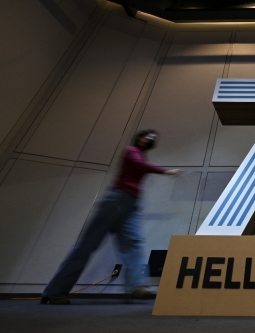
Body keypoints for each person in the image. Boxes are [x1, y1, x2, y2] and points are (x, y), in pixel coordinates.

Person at [40, 129, 180, 304]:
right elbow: (139, 165)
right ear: (140, 138)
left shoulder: (142, 156)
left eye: (155, 138)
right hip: (116, 200)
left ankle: (136, 286)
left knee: (133, 243)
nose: (152, 139)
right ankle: (54, 291)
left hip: (131, 204)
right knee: (86, 246)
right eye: (149, 136)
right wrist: (166, 171)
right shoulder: (131, 151)